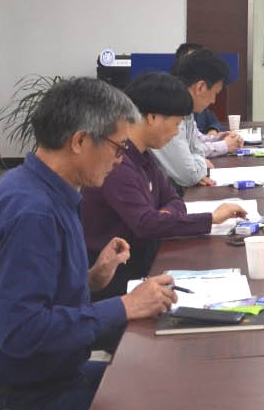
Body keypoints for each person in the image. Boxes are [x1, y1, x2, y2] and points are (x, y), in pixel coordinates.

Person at [0, 78, 176, 410]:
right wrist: (123, 306)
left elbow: (26, 296)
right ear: (80, 141)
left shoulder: (42, 189)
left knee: (148, 385)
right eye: (117, 147)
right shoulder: (31, 212)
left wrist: (89, 279)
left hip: (34, 381)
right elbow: (20, 331)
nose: (121, 159)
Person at [81, 72, 247, 296]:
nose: (176, 132)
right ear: (152, 117)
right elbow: (146, 224)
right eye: (176, 124)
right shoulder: (117, 162)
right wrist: (211, 219)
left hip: (145, 261)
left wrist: (162, 217)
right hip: (118, 280)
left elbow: (174, 200)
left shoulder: (144, 154)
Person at [153, 48, 241, 188]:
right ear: (200, 87)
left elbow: (196, 147)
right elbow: (189, 174)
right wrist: (199, 163)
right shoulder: (169, 110)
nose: (213, 101)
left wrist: (216, 139)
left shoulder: (186, 109)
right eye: (215, 93)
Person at [175, 41, 223, 135]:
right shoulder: (173, 102)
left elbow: (196, 140)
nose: (213, 101)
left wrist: (214, 132)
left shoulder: (192, 104)